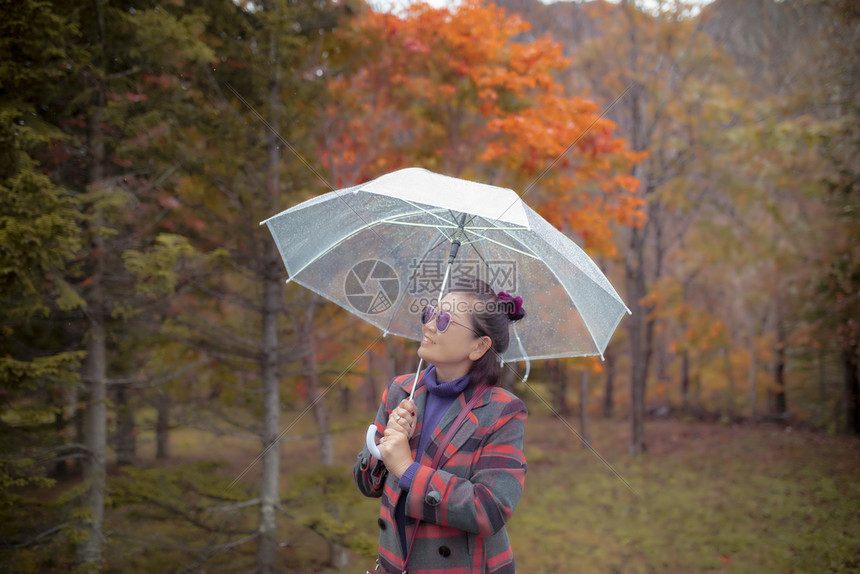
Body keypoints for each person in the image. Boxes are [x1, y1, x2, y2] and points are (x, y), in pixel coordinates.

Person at [354, 278, 528, 574]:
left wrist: (408, 470)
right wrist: (384, 447)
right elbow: (367, 484)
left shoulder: (502, 410)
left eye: (446, 320)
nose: (430, 326)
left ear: (479, 345)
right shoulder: (400, 391)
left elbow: (489, 509)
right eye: (431, 313)